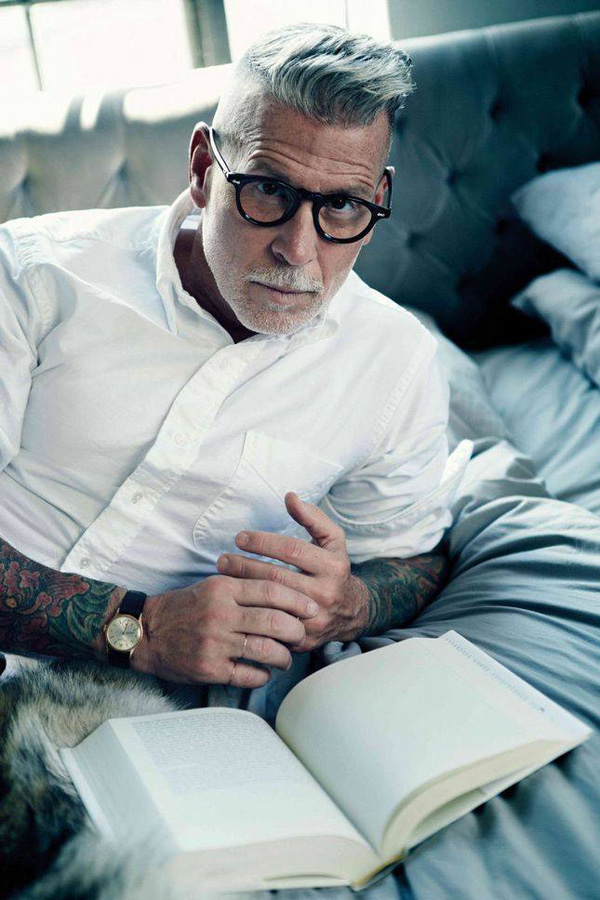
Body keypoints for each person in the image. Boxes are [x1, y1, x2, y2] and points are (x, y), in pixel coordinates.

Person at [0, 23, 471, 705]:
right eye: (268, 191)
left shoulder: (395, 363)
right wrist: (140, 628)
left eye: (342, 205)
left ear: (378, 195)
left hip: (148, 728)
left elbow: (413, 557)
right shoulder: (31, 274)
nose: (297, 251)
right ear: (202, 170)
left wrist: (350, 604)